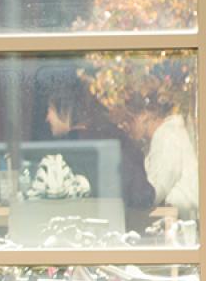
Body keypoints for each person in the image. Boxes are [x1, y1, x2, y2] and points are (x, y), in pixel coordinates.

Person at [43, 77, 157, 230]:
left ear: (66, 109)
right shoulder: (119, 140)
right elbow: (143, 196)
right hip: (116, 239)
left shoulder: (68, 150)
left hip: (76, 241)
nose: (47, 118)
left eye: (49, 109)